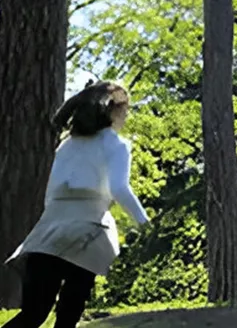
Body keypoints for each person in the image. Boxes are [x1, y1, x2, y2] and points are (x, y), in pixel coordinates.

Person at [3, 81, 149, 328]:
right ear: (113, 111)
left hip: (49, 232)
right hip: (88, 233)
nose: (126, 115)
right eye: (125, 109)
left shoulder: (66, 145)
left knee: (33, 314)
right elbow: (119, 188)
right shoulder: (116, 145)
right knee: (69, 313)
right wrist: (143, 221)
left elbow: (51, 194)